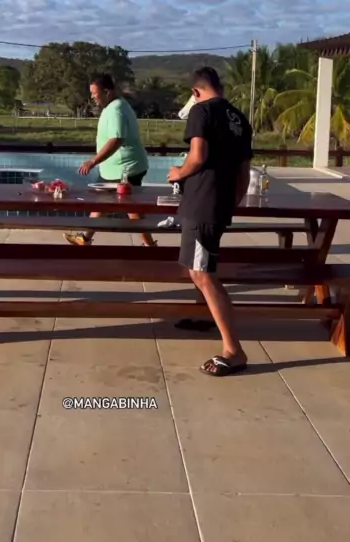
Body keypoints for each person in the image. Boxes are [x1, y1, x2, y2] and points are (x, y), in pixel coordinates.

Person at [167, 66, 253, 377]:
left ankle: (233, 350)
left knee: (202, 273)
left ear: (195, 91)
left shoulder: (201, 111)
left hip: (202, 204)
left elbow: (197, 156)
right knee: (199, 268)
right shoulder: (239, 118)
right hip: (219, 203)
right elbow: (244, 173)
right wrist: (230, 203)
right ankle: (205, 317)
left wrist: (177, 173)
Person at [64, 73, 157, 247]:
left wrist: (93, 161)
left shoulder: (116, 109)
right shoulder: (115, 105)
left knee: (132, 209)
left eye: (95, 93)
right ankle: (84, 238)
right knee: (104, 202)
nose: (93, 97)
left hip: (124, 169)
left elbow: (117, 139)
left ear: (107, 92)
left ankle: (150, 247)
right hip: (117, 168)